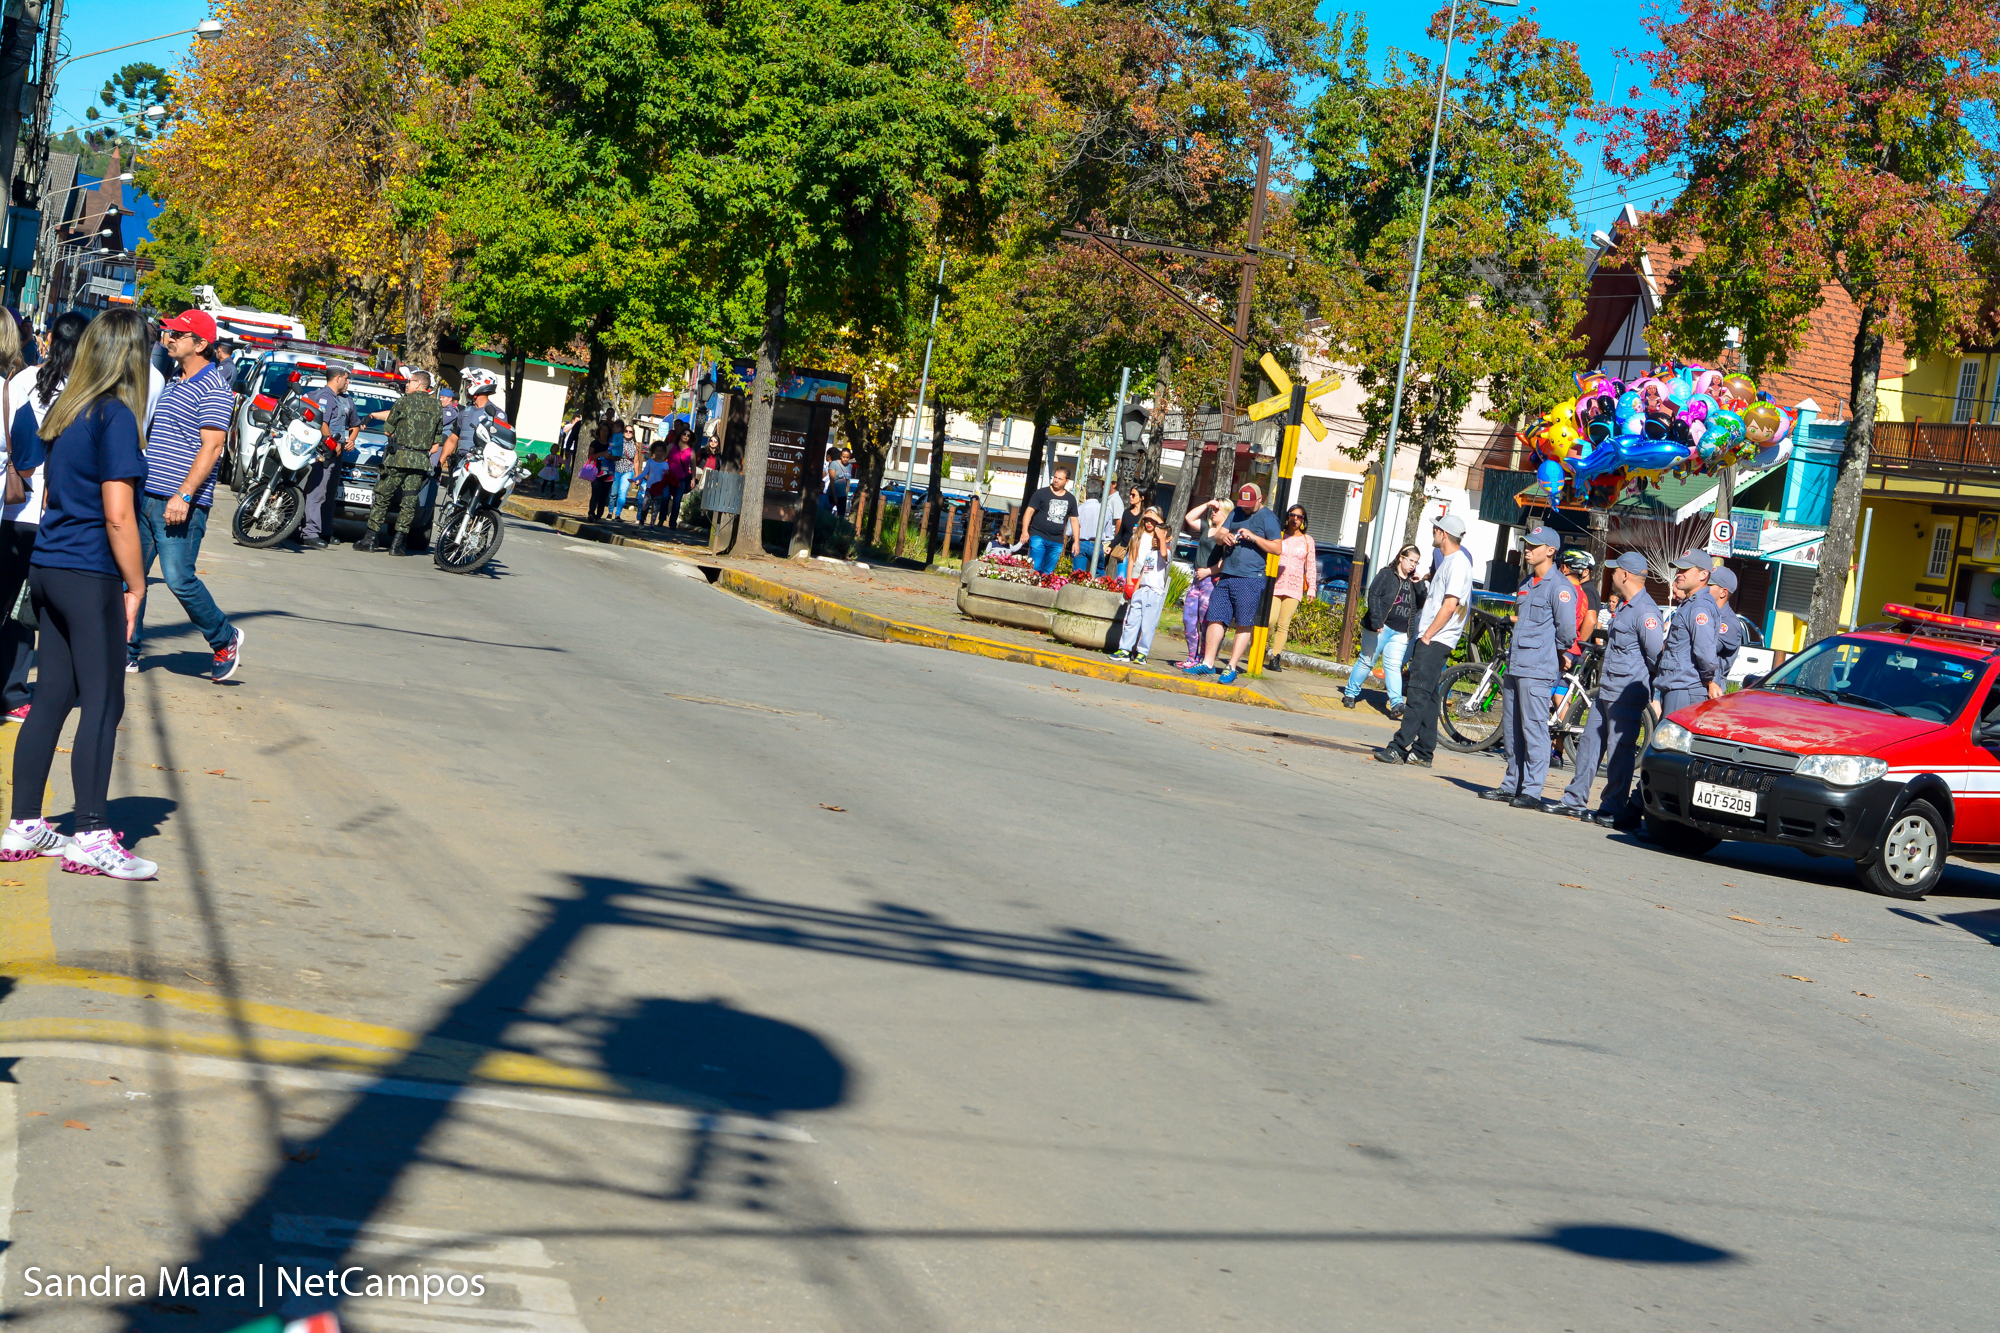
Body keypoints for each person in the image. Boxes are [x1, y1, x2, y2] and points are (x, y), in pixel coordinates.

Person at [2, 307, 157, 878]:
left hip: (49, 565)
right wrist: (136, 585)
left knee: (51, 698)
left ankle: (24, 823)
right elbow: (119, 516)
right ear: (133, 357)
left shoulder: (69, 412)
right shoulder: (115, 416)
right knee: (104, 701)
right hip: (89, 573)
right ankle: (90, 832)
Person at [127, 310, 244, 681]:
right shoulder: (176, 379)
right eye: (169, 331)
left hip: (180, 503)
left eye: (179, 333)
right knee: (132, 579)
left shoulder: (214, 387)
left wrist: (184, 495)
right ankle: (127, 650)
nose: (169, 336)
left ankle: (224, 638)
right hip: (147, 495)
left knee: (179, 578)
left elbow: (212, 447)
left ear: (201, 344)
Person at [1, 312, 87, 723]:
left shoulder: (20, 382)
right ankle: (14, 692)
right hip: (52, 515)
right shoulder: (83, 392)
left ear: (49, 338)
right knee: (27, 611)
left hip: (11, 508)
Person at [1552, 551, 1664, 827]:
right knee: (1589, 745)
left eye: (1615, 571)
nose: (1611, 574)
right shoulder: (1626, 606)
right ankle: (1574, 799)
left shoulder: (1646, 611)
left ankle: (1612, 807)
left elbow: (1655, 656)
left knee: (1619, 752)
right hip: (1607, 689)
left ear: (1625, 575)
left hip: (1626, 692)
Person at [1479, 525, 1576, 810]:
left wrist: (1555, 651)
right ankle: (1512, 784)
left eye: (1533, 545)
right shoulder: (1525, 584)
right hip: (1516, 664)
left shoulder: (1560, 588)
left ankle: (1532, 790)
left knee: (1534, 729)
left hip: (1538, 667)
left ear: (1550, 551)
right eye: (1526, 544)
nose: (1527, 549)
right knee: (1512, 728)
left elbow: (1567, 631)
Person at [1375, 512, 1476, 768]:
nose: (1433, 533)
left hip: (1437, 638)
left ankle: (1398, 747)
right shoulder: (1450, 562)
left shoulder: (1458, 563)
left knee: (1418, 694)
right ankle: (1423, 751)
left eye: (1435, 530)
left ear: (1444, 534)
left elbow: (1451, 604)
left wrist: (1429, 634)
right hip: (1433, 636)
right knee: (1429, 695)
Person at [1187, 481, 1281, 684]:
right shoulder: (1236, 512)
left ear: (1260, 500)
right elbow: (1219, 535)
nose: (1245, 508)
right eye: (1243, 504)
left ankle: (1231, 666)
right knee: (1216, 617)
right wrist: (1225, 536)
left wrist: (1254, 538)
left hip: (1250, 578)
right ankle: (1208, 663)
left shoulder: (1269, 518)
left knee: (1244, 622)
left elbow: (1277, 548)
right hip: (1227, 574)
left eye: (1249, 505)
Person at [356, 369, 443, 555]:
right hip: (420, 462)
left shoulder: (403, 401)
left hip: (398, 459)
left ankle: (370, 540)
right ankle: (398, 544)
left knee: (382, 496)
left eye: (410, 382)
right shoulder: (437, 407)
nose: (407, 385)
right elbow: (436, 445)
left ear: (418, 384)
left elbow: (388, 430)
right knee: (409, 502)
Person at [1343, 543, 1422, 716]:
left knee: (1393, 666)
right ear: (1401, 558)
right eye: (1410, 560)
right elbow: (1374, 595)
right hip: (1381, 627)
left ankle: (1396, 703)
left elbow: (1421, 603)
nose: (1413, 565)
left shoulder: (1413, 582)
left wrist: (1420, 585)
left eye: (1416, 562)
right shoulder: (1386, 574)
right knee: (1367, 660)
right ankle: (1350, 693)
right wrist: (1377, 620)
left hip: (1401, 632)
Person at [1656, 549, 1723, 720]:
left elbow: (1706, 654)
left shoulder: (1700, 607)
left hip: (1684, 691)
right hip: (1677, 688)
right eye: (1678, 569)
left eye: (1685, 570)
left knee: (1671, 746)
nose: (1679, 574)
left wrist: (1708, 680)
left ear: (1703, 575)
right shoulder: (1690, 604)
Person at [299, 363, 359, 549]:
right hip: (323, 451)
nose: (348, 382)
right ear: (337, 378)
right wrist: (331, 443)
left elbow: (354, 424)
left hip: (336, 452)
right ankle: (309, 532)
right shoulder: (323, 397)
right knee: (316, 492)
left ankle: (324, 531)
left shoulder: (344, 400)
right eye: (346, 378)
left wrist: (351, 440)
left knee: (328, 494)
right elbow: (323, 424)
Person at [1110, 507, 1170, 663]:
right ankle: (1125, 649)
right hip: (1141, 589)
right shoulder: (1149, 551)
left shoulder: (1165, 552)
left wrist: (1161, 534)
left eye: (1158, 538)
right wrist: (1135, 588)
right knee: (1132, 620)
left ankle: (1142, 652)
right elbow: (1143, 569)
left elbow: (1164, 553)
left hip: (1154, 592)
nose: (1155, 539)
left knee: (1148, 624)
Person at [1263, 504, 1318, 672]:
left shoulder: (1308, 541)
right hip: (1275, 584)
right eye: (1293, 515)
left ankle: (1275, 657)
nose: (1295, 519)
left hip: (1294, 587)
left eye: (1299, 516)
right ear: (1287, 517)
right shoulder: (1278, 535)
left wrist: (1312, 588)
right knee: (1270, 621)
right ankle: (1261, 646)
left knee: (1284, 624)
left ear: (1303, 520)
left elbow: (1311, 565)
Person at [1019, 465, 1081, 574]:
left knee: (1048, 571)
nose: (1056, 480)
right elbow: (1029, 512)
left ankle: (1042, 589)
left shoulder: (1070, 499)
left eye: (1060, 479)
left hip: (1056, 540)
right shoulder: (1041, 493)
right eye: (1055, 477)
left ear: (1067, 481)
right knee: (1035, 566)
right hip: (1039, 535)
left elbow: (1074, 521)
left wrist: (1076, 541)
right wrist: (1025, 531)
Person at [1711, 566, 1744, 682]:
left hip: (1709, 688)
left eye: (1709, 585)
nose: (1703, 588)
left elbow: (1704, 650)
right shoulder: (1707, 614)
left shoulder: (1728, 623)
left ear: (1723, 592)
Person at [638, 442, 672, 524]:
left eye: (660, 451)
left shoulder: (665, 464)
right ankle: (642, 520)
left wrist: (666, 475)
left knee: (655, 507)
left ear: (664, 452)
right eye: (657, 451)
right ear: (653, 451)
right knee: (645, 505)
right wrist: (637, 478)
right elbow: (645, 472)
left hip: (658, 489)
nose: (658, 453)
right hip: (649, 487)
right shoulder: (650, 462)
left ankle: (652, 523)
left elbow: (666, 476)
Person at [1074, 486, 1102, 576]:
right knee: (1099, 575)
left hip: (1081, 543)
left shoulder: (1079, 509)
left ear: (1086, 494)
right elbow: (1109, 533)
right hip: (1098, 543)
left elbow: (1071, 530)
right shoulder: (1105, 509)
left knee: (1078, 575)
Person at [585, 447, 612, 521]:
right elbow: (590, 457)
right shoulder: (595, 443)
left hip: (610, 472)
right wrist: (601, 454)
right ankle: (591, 513)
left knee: (604, 495)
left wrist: (610, 456)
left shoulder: (613, 443)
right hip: (597, 471)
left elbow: (618, 457)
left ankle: (599, 515)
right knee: (595, 493)